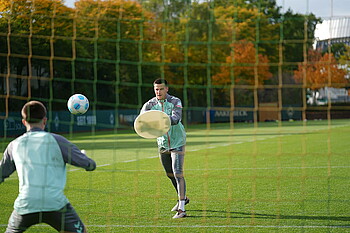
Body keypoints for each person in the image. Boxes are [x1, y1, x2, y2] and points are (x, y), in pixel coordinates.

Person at [0, 101, 96, 233]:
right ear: (44, 120)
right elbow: (90, 165)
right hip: (55, 204)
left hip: (26, 204)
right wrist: (85, 159)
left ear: (24, 122)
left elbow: (1, 174)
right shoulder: (57, 140)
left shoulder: (13, 145)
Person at [140, 78, 189, 219]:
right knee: (169, 174)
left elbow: (175, 119)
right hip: (162, 143)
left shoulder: (175, 101)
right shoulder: (149, 104)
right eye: (156, 89)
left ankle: (182, 209)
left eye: (161, 89)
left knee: (177, 172)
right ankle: (183, 198)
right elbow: (141, 120)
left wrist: (159, 118)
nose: (158, 91)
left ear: (167, 89)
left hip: (177, 141)